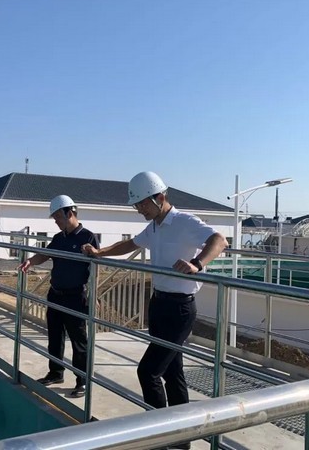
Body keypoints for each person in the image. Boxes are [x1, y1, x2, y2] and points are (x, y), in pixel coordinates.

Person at [82, 172, 227, 448]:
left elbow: (219, 240)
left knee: (148, 372)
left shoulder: (184, 221)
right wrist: (100, 253)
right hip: (159, 303)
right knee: (172, 371)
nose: (139, 210)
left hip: (180, 309)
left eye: (142, 204)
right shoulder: (155, 226)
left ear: (159, 197)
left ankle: (160, 437)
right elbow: (131, 243)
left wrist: (196, 264)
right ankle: (182, 439)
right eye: (137, 205)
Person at [18, 195, 99, 398]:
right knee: (55, 337)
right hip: (56, 294)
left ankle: (82, 381)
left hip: (75, 297)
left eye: (58, 217)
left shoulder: (88, 237)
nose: (56, 221)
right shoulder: (58, 238)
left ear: (69, 213)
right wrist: (31, 261)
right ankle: (56, 372)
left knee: (79, 341)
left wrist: (94, 295)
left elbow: (96, 268)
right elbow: (45, 254)